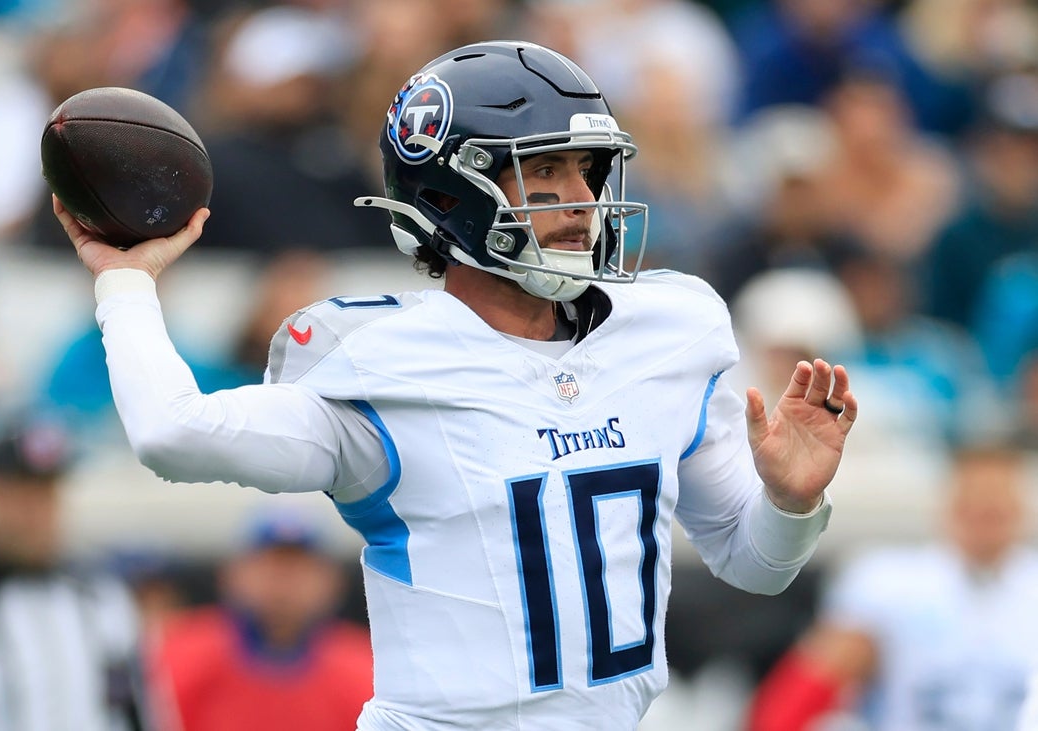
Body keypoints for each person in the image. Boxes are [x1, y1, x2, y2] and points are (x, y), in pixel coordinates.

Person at [54, 40, 858, 730]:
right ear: (449, 196)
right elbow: (171, 433)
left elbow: (754, 563)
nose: (580, 201)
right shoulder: (381, 362)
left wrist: (790, 503)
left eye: (587, 170)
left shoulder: (668, 328)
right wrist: (126, 284)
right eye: (542, 172)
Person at [746, 444, 1038, 731]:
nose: (987, 510)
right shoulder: (890, 582)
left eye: (997, 501)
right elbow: (803, 690)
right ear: (951, 504)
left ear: (1019, 507)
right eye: (976, 500)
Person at [0, 416, 149, 730]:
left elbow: (135, 709)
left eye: (46, 495)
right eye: (22, 496)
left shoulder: (101, 595)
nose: (36, 514)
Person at [147, 510, 373, 731]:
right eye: (269, 565)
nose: (283, 583)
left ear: (332, 582)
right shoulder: (177, 652)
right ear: (233, 575)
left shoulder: (366, 668)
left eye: (298, 568)